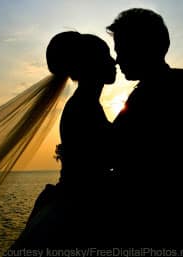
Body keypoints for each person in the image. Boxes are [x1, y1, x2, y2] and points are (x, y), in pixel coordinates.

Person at [107, 8, 183, 255]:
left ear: (143, 46)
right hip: (181, 225)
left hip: (162, 231)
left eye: (121, 48)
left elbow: (116, 153)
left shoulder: (163, 89)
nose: (117, 59)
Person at [8, 31, 116, 250]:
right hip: (80, 210)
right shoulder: (82, 107)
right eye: (105, 55)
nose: (113, 61)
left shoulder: (86, 105)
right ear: (89, 64)